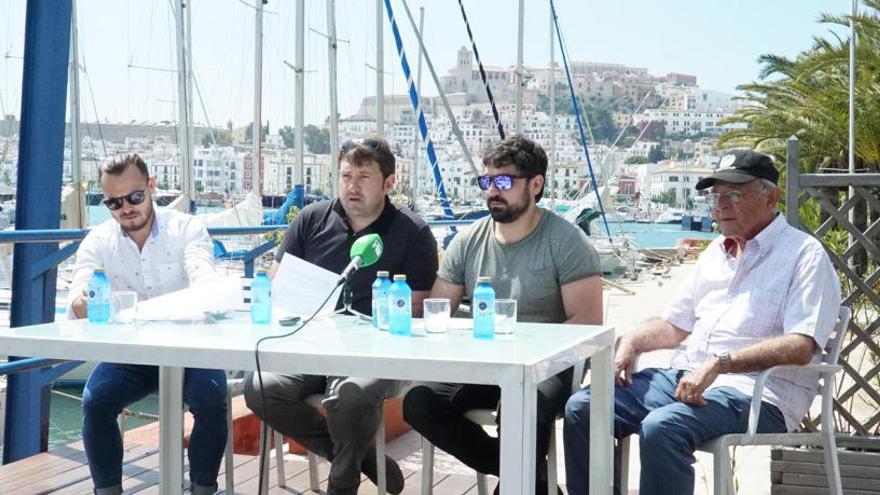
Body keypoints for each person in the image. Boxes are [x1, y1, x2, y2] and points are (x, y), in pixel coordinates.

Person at [562, 149, 842, 495]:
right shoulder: (715, 253)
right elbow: (674, 325)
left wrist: (721, 364)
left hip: (758, 393)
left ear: (770, 196)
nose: (721, 204)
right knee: (584, 408)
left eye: (734, 194)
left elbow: (801, 345)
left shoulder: (804, 255)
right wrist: (632, 341)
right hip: (687, 377)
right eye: (717, 195)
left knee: (662, 427)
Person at [403, 134, 603, 494]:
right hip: (485, 358)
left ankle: (520, 478)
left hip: (551, 363)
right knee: (419, 402)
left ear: (536, 184)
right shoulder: (467, 241)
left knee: (522, 402)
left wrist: (532, 359)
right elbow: (440, 311)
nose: (492, 191)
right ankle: (529, 477)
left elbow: (586, 324)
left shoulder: (567, 241)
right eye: (487, 181)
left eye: (504, 181)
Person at [243, 136, 438, 495]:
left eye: (364, 177)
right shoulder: (311, 220)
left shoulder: (414, 232)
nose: (352, 185)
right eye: (346, 175)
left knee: (349, 398)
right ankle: (366, 460)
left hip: (376, 356)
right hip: (310, 345)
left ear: (389, 182)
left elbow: (418, 308)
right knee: (259, 388)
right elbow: (277, 282)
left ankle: (341, 485)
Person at [67, 154, 227, 495]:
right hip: (131, 354)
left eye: (135, 197)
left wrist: (184, 301)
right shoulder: (98, 241)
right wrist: (86, 301)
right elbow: (77, 300)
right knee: (95, 402)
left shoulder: (186, 228)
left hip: (191, 347)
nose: (126, 208)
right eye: (114, 202)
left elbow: (205, 280)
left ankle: (203, 490)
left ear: (151, 186)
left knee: (212, 400)